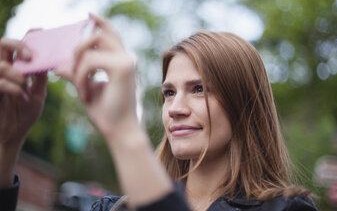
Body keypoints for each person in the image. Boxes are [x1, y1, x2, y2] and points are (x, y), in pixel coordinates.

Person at [0, 14, 318, 211]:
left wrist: (124, 132)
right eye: (169, 92)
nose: (175, 109)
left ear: (244, 102)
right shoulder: (111, 209)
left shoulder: (288, 209)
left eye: (199, 89)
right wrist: (7, 145)